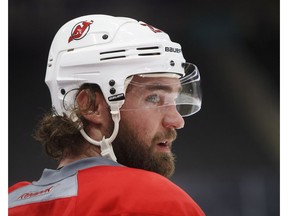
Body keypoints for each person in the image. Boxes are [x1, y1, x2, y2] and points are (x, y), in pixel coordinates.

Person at [8, 14, 205, 215]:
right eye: (153, 98)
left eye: (174, 99)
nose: (177, 121)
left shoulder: (11, 204)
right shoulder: (157, 200)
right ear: (90, 106)